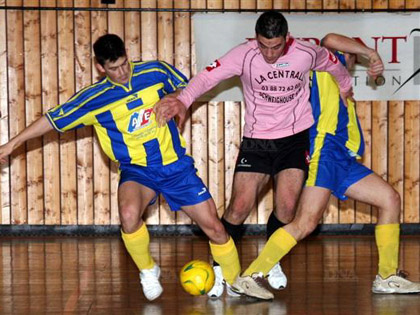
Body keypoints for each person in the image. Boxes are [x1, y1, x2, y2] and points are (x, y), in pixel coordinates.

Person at [0, 34, 243, 301]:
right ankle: (148, 270)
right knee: (128, 215)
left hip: (176, 168)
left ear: (128, 55)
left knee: (216, 229)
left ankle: (234, 283)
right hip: (137, 170)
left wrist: (175, 99)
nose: (122, 72)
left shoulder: (155, 70)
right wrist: (13, 143)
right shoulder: (94, 98)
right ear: (100, 68)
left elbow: (189, 88)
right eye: (114, 68)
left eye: (125, 63)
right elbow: (52, 118)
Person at [154, 11, 353, 299]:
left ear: (287, 39)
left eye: (276, 46)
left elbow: (334, 64)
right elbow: (206, 78)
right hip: (258, 140)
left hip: (295, 139)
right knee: (239, 207)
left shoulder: (306, 53)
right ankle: (220, 268)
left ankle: (271, 262)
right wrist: (183, 100)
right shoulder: (244, 55)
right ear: (256, 39)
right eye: (263, 46)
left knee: (286, 207)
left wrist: (346, 88)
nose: (269, 54)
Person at [232, 33, 420, 300]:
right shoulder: (323, 64)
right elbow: (329, 39)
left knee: (390, 198)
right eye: (350, 52)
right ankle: (252, 275)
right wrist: (371, 53)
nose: (351, 57)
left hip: (341, 157)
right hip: (323, 148)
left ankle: (387, 276)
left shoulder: (341, 80)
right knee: (306, 223)